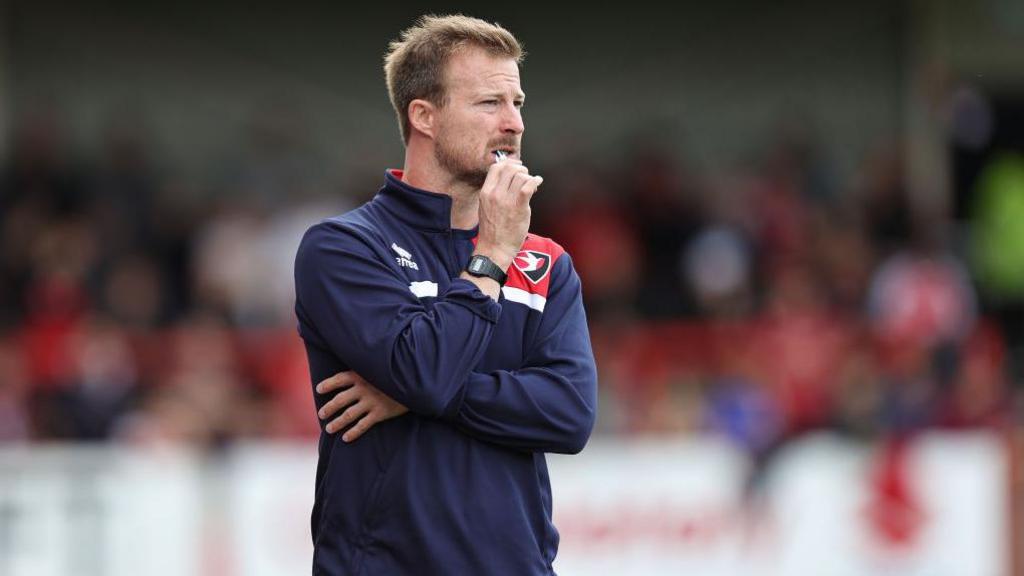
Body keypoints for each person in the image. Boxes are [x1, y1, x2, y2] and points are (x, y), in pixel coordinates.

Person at [293, 14, 598, 575]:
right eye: (489, 104)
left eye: (518, 102)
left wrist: (409, 396)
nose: (513, 123)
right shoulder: (342, 247)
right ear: (424, 116)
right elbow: (426, 371)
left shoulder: (547, 261)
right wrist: (490, 258)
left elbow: (569, 415)